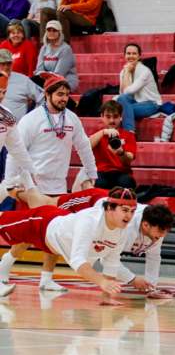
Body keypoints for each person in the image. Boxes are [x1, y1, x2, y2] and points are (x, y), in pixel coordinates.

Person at [0, 187, 138, 303]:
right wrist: (102, 282)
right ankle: (9, 188)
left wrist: (107, 297)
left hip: (53, 238)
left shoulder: (122, 232)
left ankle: (14, 188)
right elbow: (77, 261)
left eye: (132, 211)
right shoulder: (89, 221)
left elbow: (111, 264)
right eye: (125, 210)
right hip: (42, 222)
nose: (129, 216)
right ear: (109, 208)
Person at [5, 74, 96, 196]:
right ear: (47, 94)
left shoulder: (72, 118)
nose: (64, 99)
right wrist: (10, 183)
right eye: (60, 94)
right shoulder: (30, 119)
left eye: (67, 95)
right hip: (33, 187)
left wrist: (91, 173)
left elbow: (84, 147)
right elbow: (15, 151)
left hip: (60, 187)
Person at [0, 71, 36, 194]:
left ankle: (14, 181)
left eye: (3, 92)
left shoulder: (7, 117)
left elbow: (17, 148)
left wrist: (32, 171)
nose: (1, 96)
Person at [89, 100, 136, 190]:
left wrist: (121, 153)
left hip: (122, 173)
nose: (112, 120)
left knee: (127, 182)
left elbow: (129, 159)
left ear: (121, 117)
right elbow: (86, 147)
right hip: (101, 172)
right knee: (98, 183)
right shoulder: (97, 134)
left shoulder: (129, 135)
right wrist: (103, 132)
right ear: (102, 117)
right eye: (108, 117)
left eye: (115, 117)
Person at [117, 43, 161, 133]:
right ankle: (128, 132)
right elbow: (122, 95)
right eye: (128, 53)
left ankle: (129, 132)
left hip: (151, 104)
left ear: (139, 56)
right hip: (135, 102)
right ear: (124, 55)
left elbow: (129, 91)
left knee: (123, 110)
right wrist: (126, 72)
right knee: (122, 102)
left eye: (134, 53)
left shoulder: (145, 71)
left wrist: (127, 72)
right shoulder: (123, 71)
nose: (131, 56)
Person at [33, 20, 79, 92]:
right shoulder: (44, 48)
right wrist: (42, 75)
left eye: (54, 30)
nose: (51, 32)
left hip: (64, 81)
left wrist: (45, 75)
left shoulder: (66, 49)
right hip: (48, 80)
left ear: (59, 33)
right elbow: (39, 69)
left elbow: (59, 73)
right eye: (49, 30)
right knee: (32, 82)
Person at [0, 49, 43, 122]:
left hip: (17, 128)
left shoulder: (23, 80)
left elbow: (42, 97)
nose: (6, 67)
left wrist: (34, 117)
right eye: (2, 64)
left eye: (9, 63)